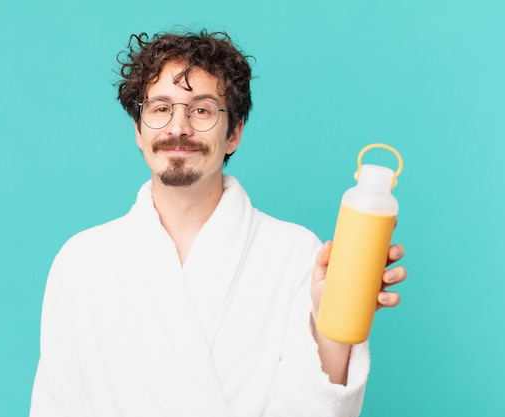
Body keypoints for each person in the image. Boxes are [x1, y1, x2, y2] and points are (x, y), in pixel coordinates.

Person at [30, 30, 407, 417]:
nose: (178, 128)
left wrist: (329, 329)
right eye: (161, 108)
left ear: (234, 134)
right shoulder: (82, 261)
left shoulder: (296, 254)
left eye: (202, 110)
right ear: (138, 132)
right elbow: (56, 406)